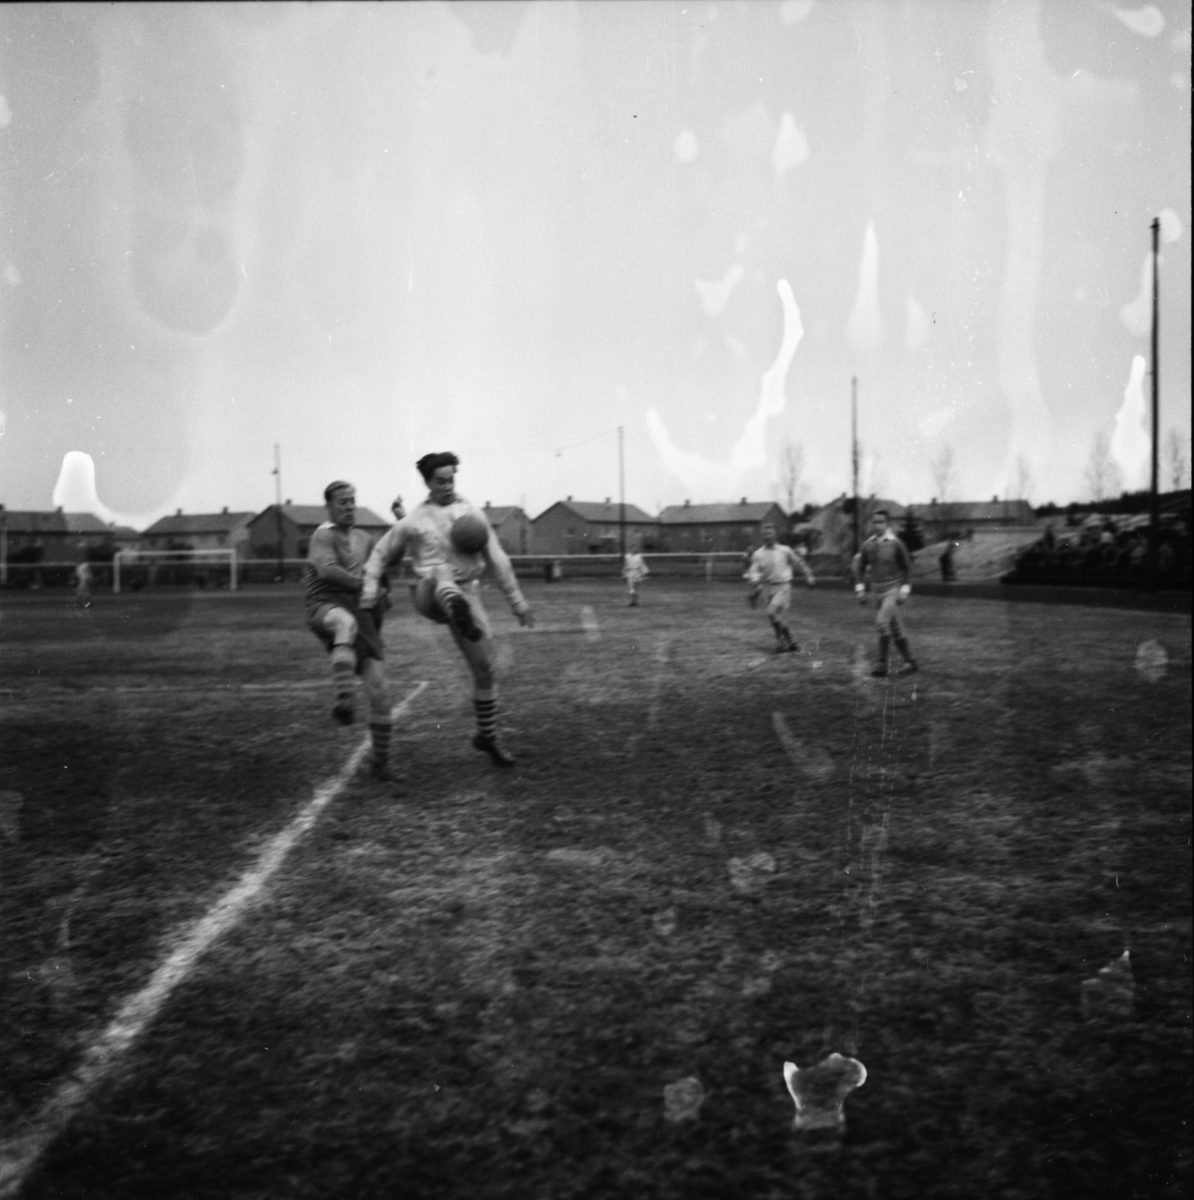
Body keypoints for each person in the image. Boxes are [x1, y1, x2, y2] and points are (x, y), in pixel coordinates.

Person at [362, 452, 534, 767]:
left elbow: (497, 557)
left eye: (451, 479)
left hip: (467, 592)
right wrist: (370, 587)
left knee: (486, 670)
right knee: (441, 573)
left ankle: (487, 737)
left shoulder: (471, 513)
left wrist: (517, 600)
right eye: (440, 481)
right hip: (428, 593)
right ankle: (455, 605)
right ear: (427, 483)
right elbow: (380, 553)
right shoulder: (414, 519)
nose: (447, 485)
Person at [304, 481, 396, 782]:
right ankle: (345, 698)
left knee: (380, 693)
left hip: (362, 614)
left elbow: (379, 569)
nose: (349, 506)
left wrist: (383, 589)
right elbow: (327, 571)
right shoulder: (322, 535)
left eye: (352, 501)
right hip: (326, 606)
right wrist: (364, 585)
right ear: (329, 508)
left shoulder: (365, 538)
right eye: (342, 502)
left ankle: (380, 764)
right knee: (344, 623)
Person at [853, 509, 917, 678]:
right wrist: (860, 589)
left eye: (881, 522)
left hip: (893, 589)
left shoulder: (896, 543)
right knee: (895, 628)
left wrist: (904, 590)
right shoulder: (868, 545)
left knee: (882, 623)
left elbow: (907, 568)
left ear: (887, 524)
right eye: (874, 522)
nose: (877, 525)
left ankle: (882, 663)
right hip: (877, 591)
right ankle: (910, 662)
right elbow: (860, 567)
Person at [745, 522, 815, 652]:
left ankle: (784, 642)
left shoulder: (785, 550)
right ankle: (787, 643)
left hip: (783, 586)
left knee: (771, 612)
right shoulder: (758, 554)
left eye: (770, 533)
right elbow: (753, 571)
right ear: (762, 536)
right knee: (776, 619)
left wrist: (808, 577)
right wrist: (754, 581)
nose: (768, 536)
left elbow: (799, 563)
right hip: (766, 587)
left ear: (775, 534)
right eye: (765, 533)